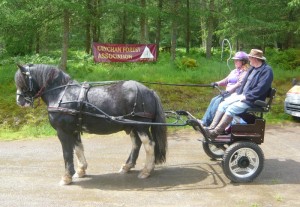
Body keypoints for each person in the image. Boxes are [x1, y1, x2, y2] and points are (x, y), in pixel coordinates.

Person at [204, 49, 274, 140]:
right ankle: (211, 128)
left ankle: (216, 132)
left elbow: (261, 89)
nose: (248, 60)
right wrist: (237, 94)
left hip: (253, 100)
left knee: (231, 108)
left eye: (250, 58)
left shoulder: (267, 71)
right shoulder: (252, 68)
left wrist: (246, 96)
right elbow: (243, 83)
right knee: (223, 104)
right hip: (243, 96)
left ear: (255, 59)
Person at [200, 51, 249, 127]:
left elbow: (239, 84)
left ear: (243, 61)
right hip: (227, 94)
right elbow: (226, 80)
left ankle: (207, 123)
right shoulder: (234, 71)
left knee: (218, 101)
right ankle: (204, 121)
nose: (235, 61)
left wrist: (227, 91)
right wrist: (216, 83)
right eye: (234, 60)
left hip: (234, 95)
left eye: (237, 60)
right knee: (214, 100)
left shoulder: (245, 72)